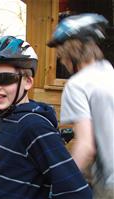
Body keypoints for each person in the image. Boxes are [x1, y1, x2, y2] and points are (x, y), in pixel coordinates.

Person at [0, 35, 92, 199]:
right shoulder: (5, 118)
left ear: (27, 81)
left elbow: (76, 192)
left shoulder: (33, 126)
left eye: (5, 78)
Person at [47, 13, 114, 198]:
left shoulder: (77, 84)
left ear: (71, 53)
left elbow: (86, 145)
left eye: (61, 55)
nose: (61, 61)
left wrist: (62, 183)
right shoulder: (109, 72)